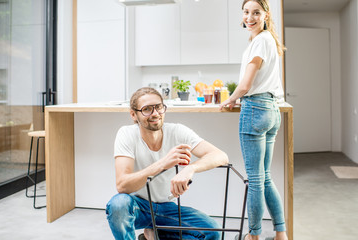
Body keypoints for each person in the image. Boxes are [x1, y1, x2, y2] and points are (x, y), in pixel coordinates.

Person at [106, 87, 229, 240]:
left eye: (158, 107)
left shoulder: (178, 131)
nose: (155, 114)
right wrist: (163, 163)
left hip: (167, 208)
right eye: (147, 109)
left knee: (213, 232)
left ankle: (156, 235)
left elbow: (220, 156)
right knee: (118, 205)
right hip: (139, 207)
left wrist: (190, 169)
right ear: (133, 114)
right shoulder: (126, 134)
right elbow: (122, 185)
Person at [219, 1, 288, 240]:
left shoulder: (260, 41)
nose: (250, 17)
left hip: (255, 110)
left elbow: (246, 85)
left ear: (265, 14)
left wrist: (229, 100)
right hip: (271, 109)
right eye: (246, 12)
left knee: (256, 179)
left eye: (256, 12)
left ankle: (254, 236)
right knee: (265, 176)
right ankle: (281, 234)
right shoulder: (266, 38)